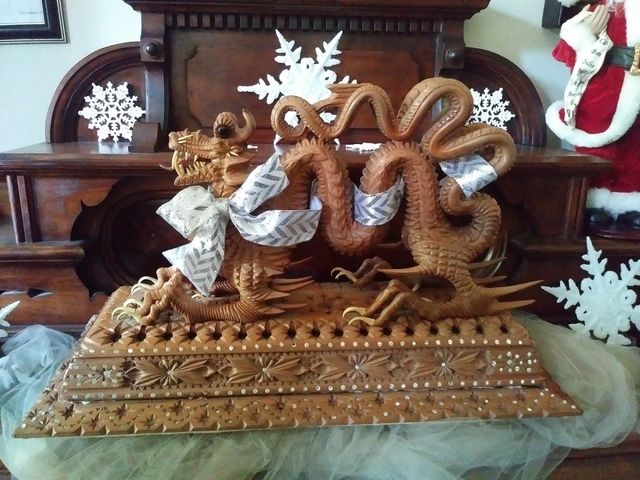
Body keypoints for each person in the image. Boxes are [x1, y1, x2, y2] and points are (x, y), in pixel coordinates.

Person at [546, 0, 640, 230]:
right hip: (603, 89)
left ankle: (631, 201)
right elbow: (566, 51)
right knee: (598, 147)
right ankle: (593, 199)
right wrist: (587, 33)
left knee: (635, 148)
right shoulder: (601, 8)